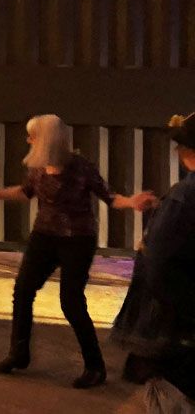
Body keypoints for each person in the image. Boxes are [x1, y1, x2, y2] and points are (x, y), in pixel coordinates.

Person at [0, 114, 157, 388]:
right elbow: (25, 193)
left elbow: (110, 197)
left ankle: (95, 367)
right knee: (23, 290)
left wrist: (132, 202)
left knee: (70, 302)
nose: (27, 140)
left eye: (32, 136)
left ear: (46, 140)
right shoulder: (38, 166)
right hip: (44, 236)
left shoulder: (81, 167)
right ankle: (18, 353)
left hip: (77, 240)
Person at [111, 112, 195, 410]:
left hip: (176, 330)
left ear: (186, 154)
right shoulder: (182, 199)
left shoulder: (184, 197)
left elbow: (157, 266)